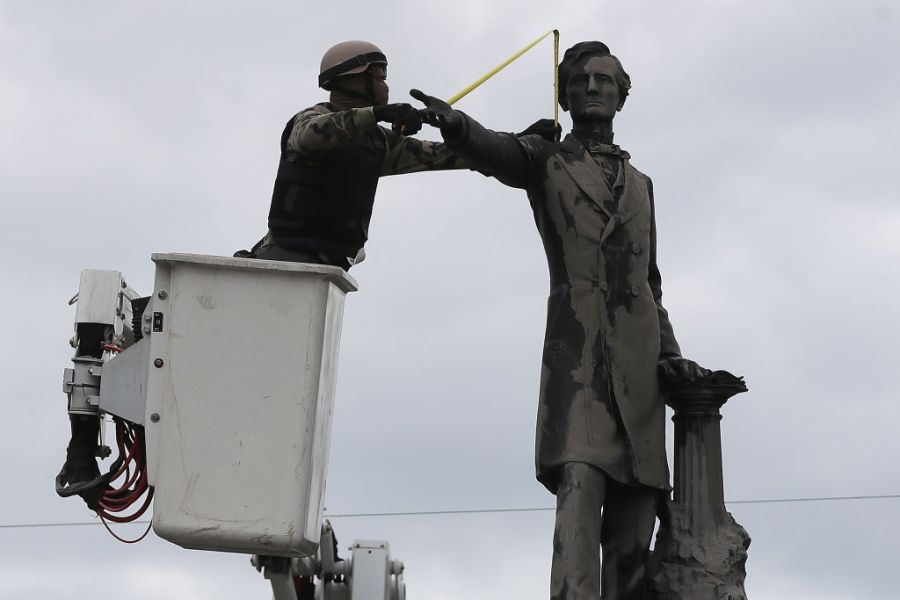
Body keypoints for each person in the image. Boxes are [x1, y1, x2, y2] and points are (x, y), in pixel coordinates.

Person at [412, 42, 708, 600]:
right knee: (579, 496)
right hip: (578, 370)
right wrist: (457, 124)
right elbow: (498, 151)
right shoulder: (547, 159)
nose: (592, 88)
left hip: (641, 376)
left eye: (604, 80)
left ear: (623, 95)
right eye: (580, 81)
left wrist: (670, 356)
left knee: (633, 534)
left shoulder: (642, 185)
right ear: (565, 94)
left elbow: (652, 283)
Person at [240, 40, 556, 269]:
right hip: (283, 261)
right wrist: (378, 113)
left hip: (329, 269)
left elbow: (451, 156)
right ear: (352, 80)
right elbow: (313, 136)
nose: (386, 86)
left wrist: (517, 140)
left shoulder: (378, 142)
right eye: (379, 78)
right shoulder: (309, 121)